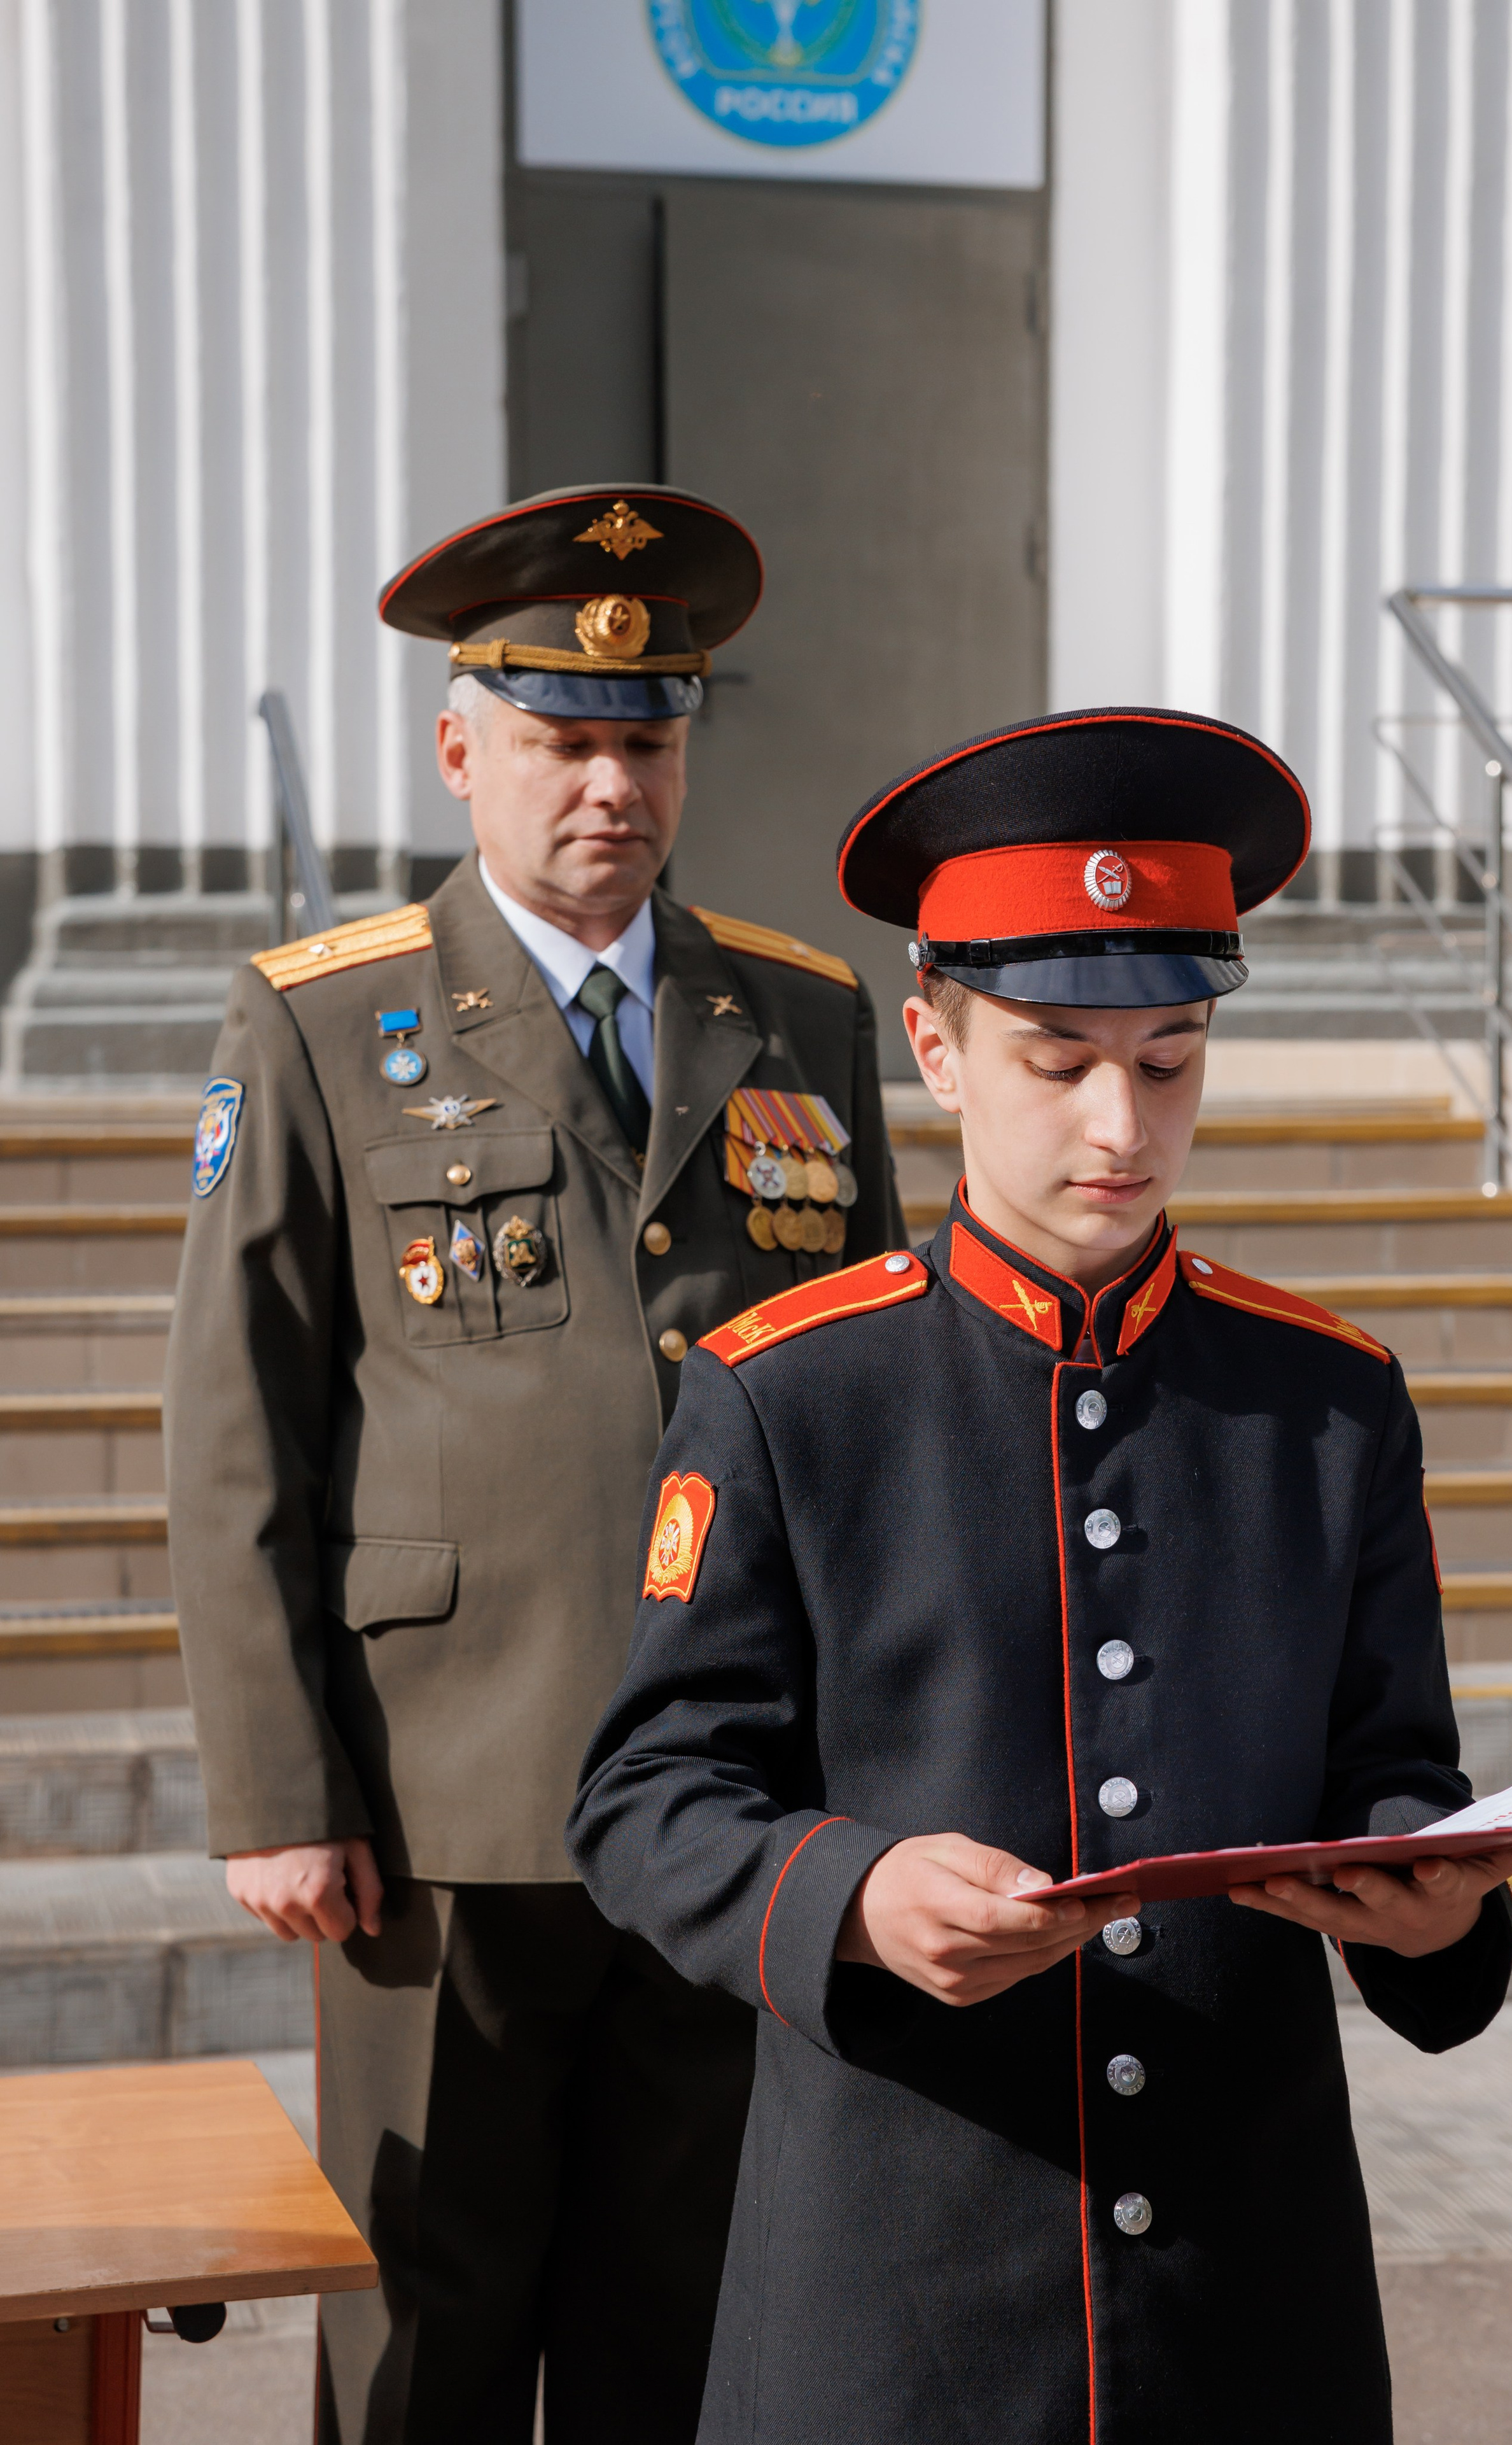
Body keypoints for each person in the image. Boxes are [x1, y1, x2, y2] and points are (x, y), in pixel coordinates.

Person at [567, 708, 1512, 2445]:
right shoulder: (789, 1389)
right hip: (900, 2299)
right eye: (1058, 1057)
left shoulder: (1327, 1398)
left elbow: (1393, 1758)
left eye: (1170, 1059)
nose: (1122, 1121)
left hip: (1245, 2310)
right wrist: (852, 1892)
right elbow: (649, 1793)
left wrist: (1437, 1897)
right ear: (938, 1051)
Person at [163, 483, 904, 2445]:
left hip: (737, 1790)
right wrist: (275, 1787)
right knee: (430, 2322)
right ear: (460, 748)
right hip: (439, 1801)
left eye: (645, 741)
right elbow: (237, 1420)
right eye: (563, 741)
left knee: (692, 2306)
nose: (608, 785)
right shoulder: (325, 1023)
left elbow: (873, 1400)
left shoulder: (801, 1015)